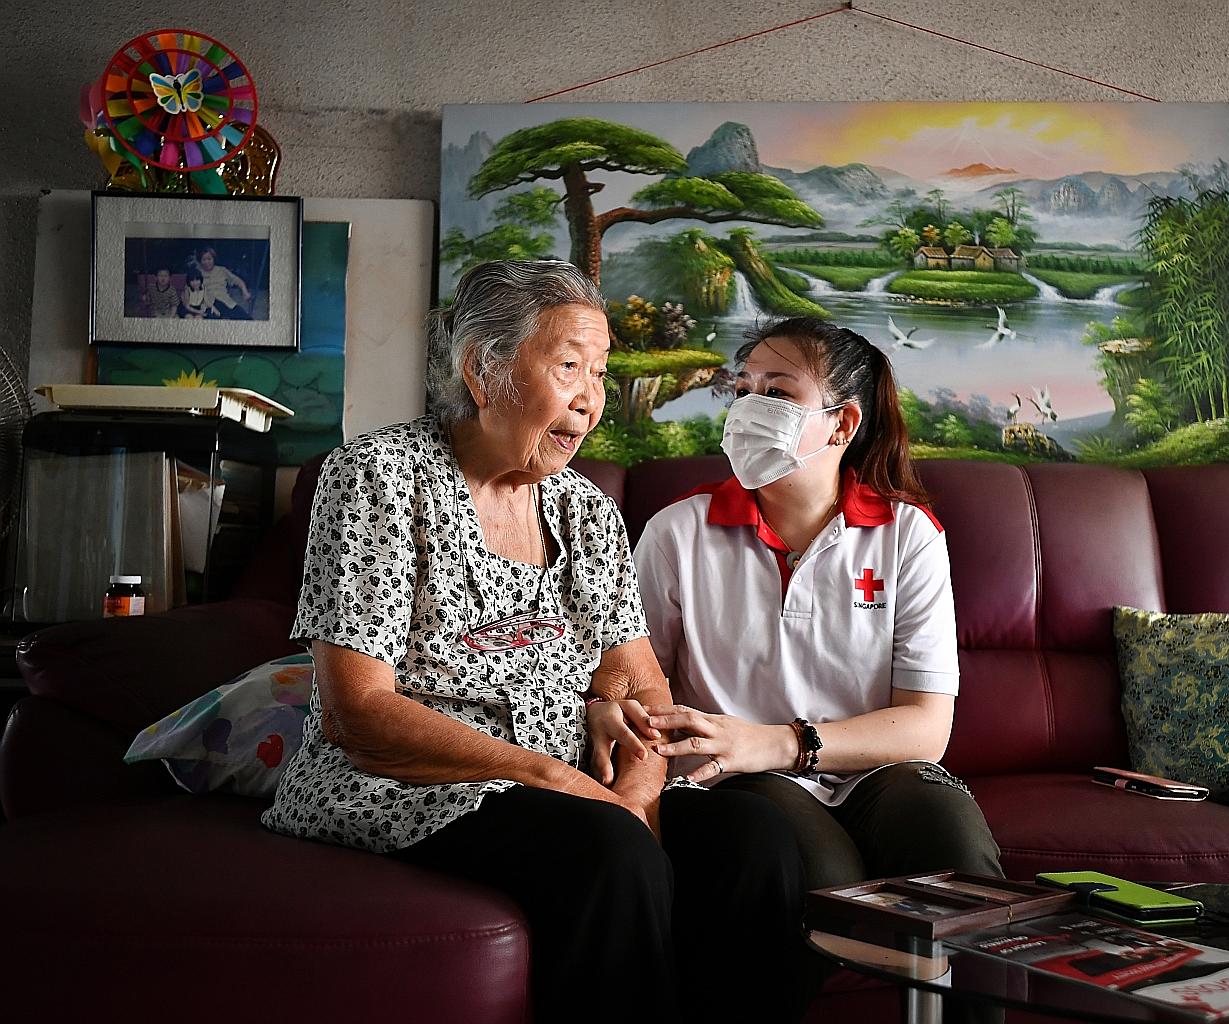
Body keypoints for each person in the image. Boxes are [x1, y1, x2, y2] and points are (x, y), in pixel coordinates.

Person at [262, 260, 803, 1022]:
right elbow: (359, 713)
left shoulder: (586, 510)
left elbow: (641, 683)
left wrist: (638, 794)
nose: (591, 399)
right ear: (484, 370)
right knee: (605, 855)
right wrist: (562, 783)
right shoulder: (375, 479)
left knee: (755, 840)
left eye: (602, 372)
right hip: (421, 782)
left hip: (570, 783)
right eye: (569, 367)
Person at [627, 316, 1003, 1010]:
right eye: (741, 389)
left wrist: (781, 741)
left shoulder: (907, 536)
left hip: (872, 772)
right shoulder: (676, 534)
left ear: (841, 424)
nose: (746, 407)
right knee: (819, 873)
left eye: (775, 390)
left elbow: (925, 728)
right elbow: (635, 683)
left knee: (955, 851)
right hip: (733, 779)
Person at [193, 245, 252, 319]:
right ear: (200, 261)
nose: (207, 262)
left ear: (213, 259)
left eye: (209, 259)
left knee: (247, 319)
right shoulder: (197, 273)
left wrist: (245, 292)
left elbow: (237, 280)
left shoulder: (222, 270)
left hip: (226, 302)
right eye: (204, 260)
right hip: (208, 305)